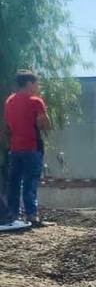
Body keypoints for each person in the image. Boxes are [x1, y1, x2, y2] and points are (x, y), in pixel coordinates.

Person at [4, 69, 51, 226]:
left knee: (14, 182)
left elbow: (8, 126)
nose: (38, 86)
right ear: (29, 83)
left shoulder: (9, 101)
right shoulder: (36, 101)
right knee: (30, 182)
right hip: (32, 146)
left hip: (15, 148)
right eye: (36, 83)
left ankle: (12, 215)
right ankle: (31, 215)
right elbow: (45, 125)